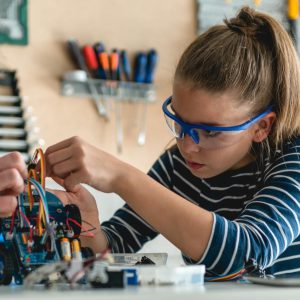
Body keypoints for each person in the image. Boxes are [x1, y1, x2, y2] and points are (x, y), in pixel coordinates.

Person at [3, 6, 299, 277]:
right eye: (179, 123)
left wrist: (120, 175)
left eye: (210, 132)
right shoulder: (177, 166)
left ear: (262, 126)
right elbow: (116, 245)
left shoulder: (291, 159)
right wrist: (86, 226)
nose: (187, 146)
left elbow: (247, 256)